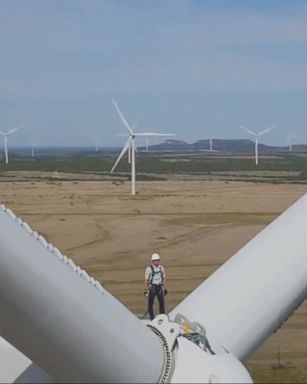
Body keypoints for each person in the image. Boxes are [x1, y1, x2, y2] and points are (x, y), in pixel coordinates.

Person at [144, 253, 167, 320]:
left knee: (161, 302)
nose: (156, 262)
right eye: (155, 260)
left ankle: (162, 316)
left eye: (157, 260)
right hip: (152, 287)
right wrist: (146, 289)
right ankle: (152, 317)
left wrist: (164, 287)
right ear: (152, 261)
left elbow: (164, 277)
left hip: (160, 287)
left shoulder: (161, 268)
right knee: (151, 303)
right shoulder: (149, 269)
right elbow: (146, 279)